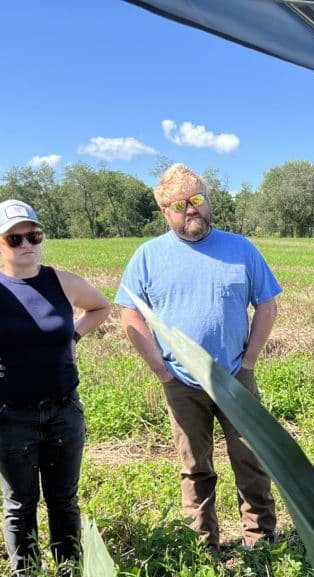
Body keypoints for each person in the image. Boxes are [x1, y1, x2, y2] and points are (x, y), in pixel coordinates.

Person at [0, 200, 109, 577]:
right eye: (15, 238)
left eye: (33, 235)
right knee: (20, 503)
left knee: (64, 500)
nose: (27, 244)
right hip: (9, 415)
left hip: (64, 409)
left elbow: (100, 306)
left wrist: (73, 335)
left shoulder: (61, 281)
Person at [116, 164, 281, 550]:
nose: (190, 210)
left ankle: (261, 541)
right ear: (164, 213)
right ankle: (203, 547)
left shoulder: (241, 249)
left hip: (235, 378)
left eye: (196, 200)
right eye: (178, 205)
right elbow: (129, 314)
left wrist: (250, 363)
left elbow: (267, 305)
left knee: (251, 460)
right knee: (195, 469)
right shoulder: (147, 256)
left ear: (207, 200)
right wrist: (161, 370)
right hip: (182, 383)